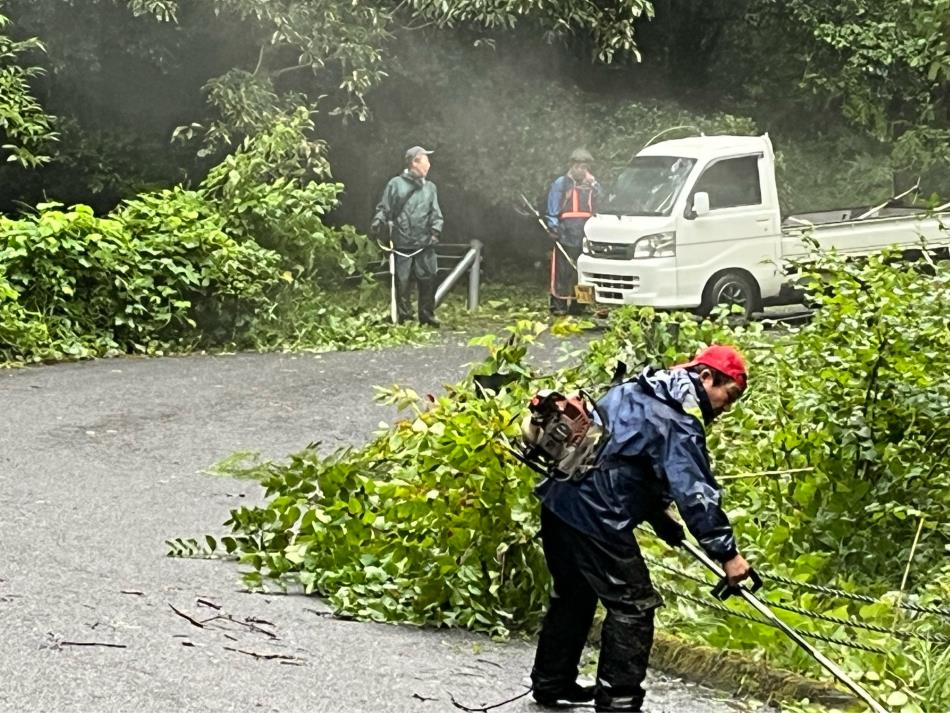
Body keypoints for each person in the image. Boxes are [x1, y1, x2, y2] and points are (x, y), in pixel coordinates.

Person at [530, 345, 752, 712]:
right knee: (633, 605)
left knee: (574, 593)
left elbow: (619, 460)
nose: (727, 406)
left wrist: (659, 518)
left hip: (558, 500)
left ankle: (552, 682)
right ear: (706, 377)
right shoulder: (678, 423)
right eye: (729, 396)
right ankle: (619, 700)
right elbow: (696, 494)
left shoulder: (634, 388)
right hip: (595, 516)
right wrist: (728, 555)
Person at [371, 145, 444, 326]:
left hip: (424, 242)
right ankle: (405, 317)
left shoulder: (430, 188)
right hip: (402, 242)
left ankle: (427, 315)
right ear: (414, 162)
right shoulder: (395, 184)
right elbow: (384, 208)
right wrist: (378, 221)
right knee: (402, 282)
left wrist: (436, 231)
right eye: (426, 160)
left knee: (428, 279)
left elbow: (435, 212)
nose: (429, 165)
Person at [545, 148, 604, 315]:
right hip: (565, 233)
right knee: (562, 272)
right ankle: (559, 305)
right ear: (571, 165)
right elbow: (553, 208)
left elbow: (603, 202)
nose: (580, 170)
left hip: (586, 234)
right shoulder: (561, 184)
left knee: (584, 271)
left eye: (584, 167)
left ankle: (581, 305)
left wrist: (595, 185)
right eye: (577, 166)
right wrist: (554, 227)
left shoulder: (593, 185)